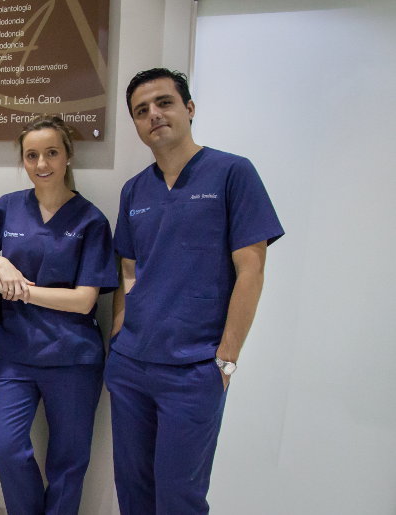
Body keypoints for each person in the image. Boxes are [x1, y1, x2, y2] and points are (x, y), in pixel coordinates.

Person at [108, 68, 284, 514]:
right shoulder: (135, 190)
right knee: (133, 491)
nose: (154, 114)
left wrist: (225, 359)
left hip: (194, 369)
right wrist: (118, 337)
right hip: (131, 366)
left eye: (164, 102)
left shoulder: (231, 173)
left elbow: (251, 270)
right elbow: (128, 269)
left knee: (179, 497)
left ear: (189, 109)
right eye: (141, 110)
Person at [0, 116, 117, 514]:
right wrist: (0, 263)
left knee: (69, 462)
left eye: (51, 152)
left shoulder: (91, 220)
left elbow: (84, 301)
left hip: (73, 356)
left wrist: (20, 289)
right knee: (4, 446)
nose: (42, 164)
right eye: (31, 155)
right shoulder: (10, 206)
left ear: (68, 155)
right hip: (15, 353)